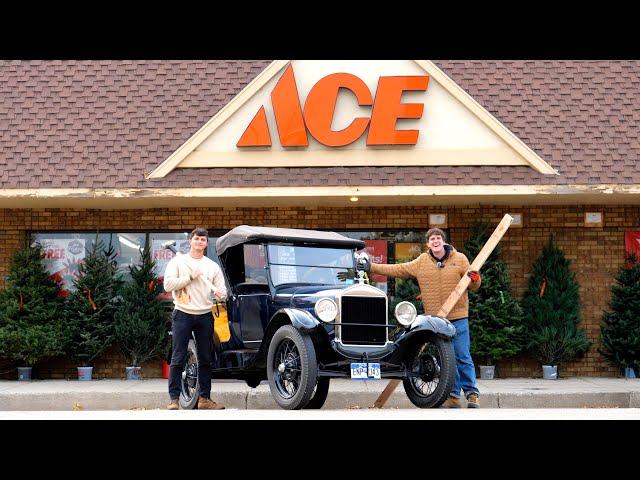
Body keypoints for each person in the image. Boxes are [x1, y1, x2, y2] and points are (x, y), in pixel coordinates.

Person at [362, 228, 482, 408]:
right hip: (437, 321)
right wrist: (371, 266)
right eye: (432, 239)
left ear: (443, 241)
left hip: (458, 317)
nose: (435, 241)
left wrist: (475, 278)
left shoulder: (460, 259)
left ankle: (472, 394)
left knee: (462, 356)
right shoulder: (422, 262)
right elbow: (399, 269)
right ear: (428, 244)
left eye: (438, 238)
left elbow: (474, 285)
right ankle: (454, 395)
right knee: (447, 360)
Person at [163, 227, 228, 410]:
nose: (200, 242)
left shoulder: (212, 266)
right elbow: (168, 285)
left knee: (205, 358)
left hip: (205, 314)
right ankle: (174, 399)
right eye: (197, 238)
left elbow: (222, 291)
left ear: (207, 244)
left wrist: (220, 293)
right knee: (178, 357)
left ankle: (204, 399)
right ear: (190, 241)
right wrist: (190, 276)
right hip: (182, 312)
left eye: (203, 240)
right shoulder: (178, 262)